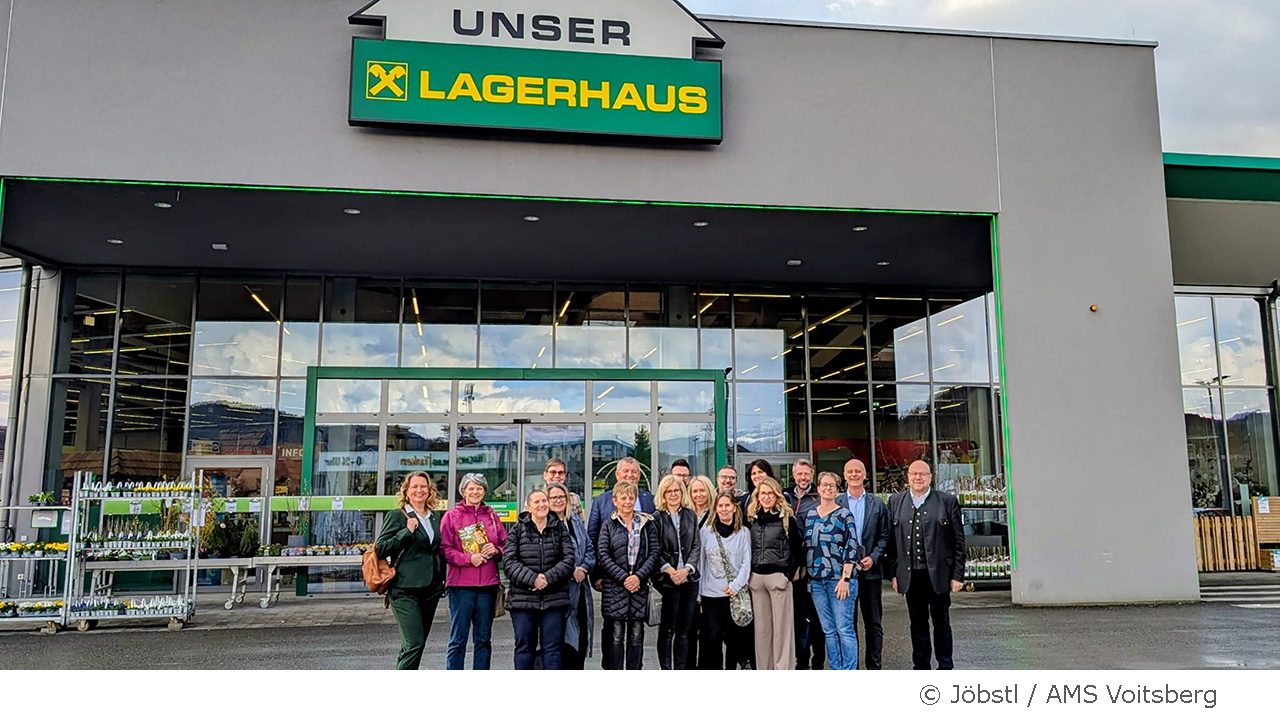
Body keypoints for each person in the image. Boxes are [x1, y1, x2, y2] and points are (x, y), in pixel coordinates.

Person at [885, 460, 966, 670]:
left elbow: (958, 542)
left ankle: (945, 666)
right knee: (917, 624)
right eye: (914, 474)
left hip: (939, 575)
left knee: (941, 623)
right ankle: (921, 667)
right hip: (911, 576)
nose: (918, 478)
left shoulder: (947, 501)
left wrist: (957, 575)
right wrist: (893, 574)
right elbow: (891, 543)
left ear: (930, 477)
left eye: (922, 474)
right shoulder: (895, 502)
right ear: (908, 477)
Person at [585, 456, 656, 668]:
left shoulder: (649, 508)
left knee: (636, 634)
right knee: (614, 634)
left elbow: (653, 550)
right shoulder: (603, 508)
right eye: (626, 471)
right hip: (613, 583)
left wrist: (639, 577)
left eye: (634, 471)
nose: (630, 475)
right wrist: (599, 576)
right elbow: (596, 545)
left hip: (639, 584)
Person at [376, 472, 446, 670]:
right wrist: (406, 532)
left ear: (430, 490)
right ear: (406, 491)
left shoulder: (435, 517)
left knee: (414, 645)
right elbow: (381, 548)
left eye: (423, 486)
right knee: (415, 643)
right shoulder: (398, 515)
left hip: (431, 588)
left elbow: (437, 550)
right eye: (414, 487)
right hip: (404, 589)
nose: (419, 490)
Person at [439, 473, 508, 670]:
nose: (475, 492)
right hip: (460, 586)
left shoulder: (492, 516)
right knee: (458, 639)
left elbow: (506, 544)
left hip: (488, 585)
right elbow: (444, 549)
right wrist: (469, 559)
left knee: (484, 639)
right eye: (471, 488)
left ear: (484, 491)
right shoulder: (451, 516)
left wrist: (497, 550)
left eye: (479, 488)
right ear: (463, 491)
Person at [504, 488, 575, 670]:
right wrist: (533, 579)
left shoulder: (559, 528)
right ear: (528, 507)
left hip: (554, 599)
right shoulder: (517, 530)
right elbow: (509, 562)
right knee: (524, 648)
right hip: (523, 601)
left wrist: (547, 578)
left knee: (552, 649)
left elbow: (568, 559)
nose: (542, 505)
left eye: (544, 501)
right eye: (536, 502)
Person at [804, 471, 863, 670]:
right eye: (824, 485)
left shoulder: (845, 515)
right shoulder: (811, 515)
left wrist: (845, 578)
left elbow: (852, 547)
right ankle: (836, 669)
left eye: (832, 485)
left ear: (837, 490)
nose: (828, 488)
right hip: (817, 582)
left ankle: (849, 670)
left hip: (839, 580)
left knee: (844, 629)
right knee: (828, 630)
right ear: (818, 488)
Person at [745, 476, 802, 670]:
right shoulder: (751, 519)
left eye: (770, 493)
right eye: (763, 493)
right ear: (757, 496)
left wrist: (787, 575)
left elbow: (798, 550)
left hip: (778, 578)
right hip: (757, 580)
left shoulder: (786, 518)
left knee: (782, 631)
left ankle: (783, 669)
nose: (767, 497)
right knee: (762, 632)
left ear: (777, 495)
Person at [838, 457, 890, 670]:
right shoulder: (837, 502)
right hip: (844, 575)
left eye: (858, 471)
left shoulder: (877, 504)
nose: (854, 474)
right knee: (847, 624)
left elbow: (885, 536)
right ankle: (852, 668)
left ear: (865, 475)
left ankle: (874, 667)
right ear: (844, 475)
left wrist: (874, 556)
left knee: (873, 623)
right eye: (850, 471)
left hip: (871, 572)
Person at [697, 490, 751, 670]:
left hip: (733, 594)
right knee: (713, 637)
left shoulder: (743, 532)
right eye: (720, 506)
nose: (724, 509)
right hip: (710, 594)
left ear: (735, 508)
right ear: (715, 509)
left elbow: (746, 563)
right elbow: (701, 564)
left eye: (727, 505)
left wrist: (735, 586)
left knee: (733, 638)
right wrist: (699, 595)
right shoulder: (706, 532)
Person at [653, 474, 701, 670]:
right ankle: (666, 668)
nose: (673, 494)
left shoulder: (690, 515)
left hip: (689, 579)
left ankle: (680, 668)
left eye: (677, 491)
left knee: (684, 630)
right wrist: (670, 570)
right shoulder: (656, 518)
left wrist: (687, 569)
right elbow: (654, 549)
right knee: (667, 629)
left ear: (682, 493)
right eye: (669, 491)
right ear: (663, 494)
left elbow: (696, 545)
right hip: (667, 580)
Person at [546, 480, 593, 669]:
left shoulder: (574, 520)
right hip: (559, 591)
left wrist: (583, 568)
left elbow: (589, 548)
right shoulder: (546, 523)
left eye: (561, 497)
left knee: (581, 636)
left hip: (580, 589)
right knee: (563, 641)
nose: (558, 501)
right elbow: (549, 555)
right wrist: (571, 570)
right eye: (554, 498)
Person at [784, 459, 824, 670]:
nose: (803, 477)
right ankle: (801, 661)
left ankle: (818, 662)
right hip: (792, 567)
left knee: (816, 617)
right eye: (799, 474)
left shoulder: (819, 497)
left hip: (814, 564)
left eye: (806, 474)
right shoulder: (784, 496)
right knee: (798, 617)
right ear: (794, 475)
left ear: (812, 474)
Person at [685, 474, 716, 669]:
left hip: (711, 580)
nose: (698, 494)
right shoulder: (686, 515)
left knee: (710, 633)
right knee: (688, 632)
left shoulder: (716, 514)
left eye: (702, 490)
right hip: (688, 580)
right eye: (695, 491)